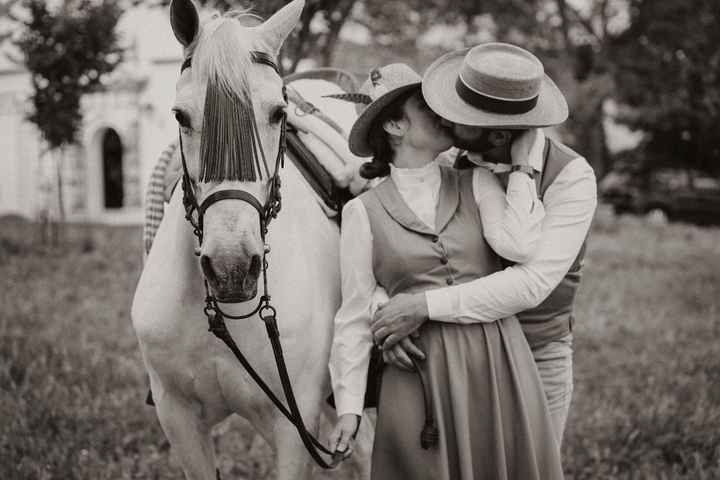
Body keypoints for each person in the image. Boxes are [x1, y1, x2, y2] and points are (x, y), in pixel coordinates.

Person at [327, 62, 563, 479]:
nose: (442, 113)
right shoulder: (361, 213)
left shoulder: (475, 182)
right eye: (425, 104)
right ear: (395, 127)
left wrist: (524, 168)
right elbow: (354, 313)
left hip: (496, 360)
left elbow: (520, 246)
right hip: (418, 377)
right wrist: (348, 408)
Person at [371, 43, 598, 447]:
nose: (444, 118)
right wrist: (389, 315)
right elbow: (386, 246)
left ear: (495, 133)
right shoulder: (452, 163)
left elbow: (531, 285)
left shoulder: (572, 178)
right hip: (458, 353)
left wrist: (421, 307)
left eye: (459, 117)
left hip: (536, 350)